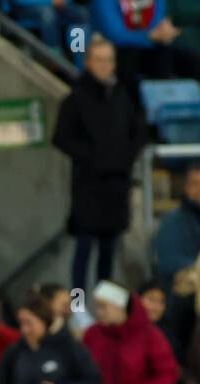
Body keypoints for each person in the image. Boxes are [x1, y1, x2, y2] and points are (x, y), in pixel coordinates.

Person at [52, 35, 147, 290]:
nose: (105, 66)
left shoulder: (123, 95)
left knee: (109, 249)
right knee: (84, 248)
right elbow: (61, 137)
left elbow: (139, 130)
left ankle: (105, 305)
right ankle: (79, 308)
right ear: (88, 62)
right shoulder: (76, 99)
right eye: (99, 60)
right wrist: (92, 156)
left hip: (117, 182)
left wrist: (126, 155)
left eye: (109, 60)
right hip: (89, 184)